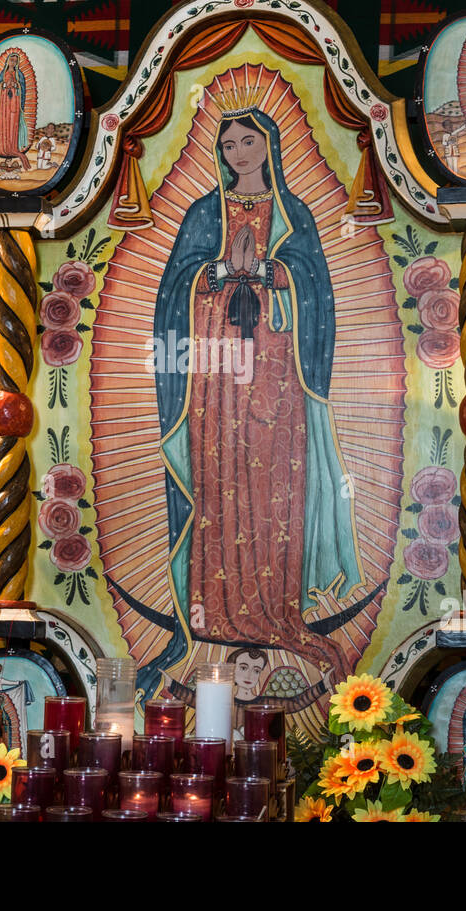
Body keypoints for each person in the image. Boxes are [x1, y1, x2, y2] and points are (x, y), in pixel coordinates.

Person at [153, 102, 363, 685]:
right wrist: (217, 275)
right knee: (218, 485)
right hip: (215, 376)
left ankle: (276, 611)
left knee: (273, 482)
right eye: (227, 146)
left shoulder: (293, 215)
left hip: (274, 372)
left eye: (246, 142)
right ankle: (213, 615)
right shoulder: (202, 213)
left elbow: (318, 296)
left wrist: (274, 274)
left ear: (268, 147)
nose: (236, 154)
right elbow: (174, 290)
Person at [0, 51, 31, 172]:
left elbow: (22, 88)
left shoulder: (19, 74)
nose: (13, 62)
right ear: (7, 61)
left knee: (13, 125)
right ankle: (3, 148)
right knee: (4, 125)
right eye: (11, 60)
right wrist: (3, 85)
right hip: (3, 104)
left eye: (15, 61)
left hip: (14, 103)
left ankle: (12, 147)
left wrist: (16, 85)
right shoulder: (2, 74)